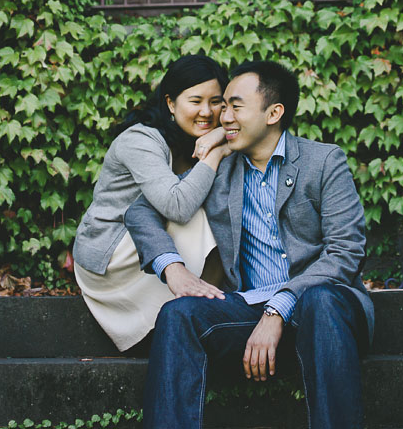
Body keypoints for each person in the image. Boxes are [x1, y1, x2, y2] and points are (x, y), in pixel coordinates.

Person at [125, 61, 375, 429]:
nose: (222, 116)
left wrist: (279, 308)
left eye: (234, 106)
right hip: (247, 312)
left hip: (322, 314)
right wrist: (172, 268)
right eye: (223, 106)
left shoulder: (323, 162)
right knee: (178, 314)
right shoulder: (219, 169)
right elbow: (140, 212)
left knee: (322, 299)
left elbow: (346, 252)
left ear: (274, 112)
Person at [71, 54, 232, 352]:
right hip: (112, 254)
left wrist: (222, 132)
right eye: (195, 101)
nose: (207, 112)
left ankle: (204, 308)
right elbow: (178, 206)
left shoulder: (202, 137)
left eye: (217, 102)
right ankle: (195, 309)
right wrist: (216, 152)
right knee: (200, 213)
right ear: (170, 103)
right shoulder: (140, 140)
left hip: (154, 241)